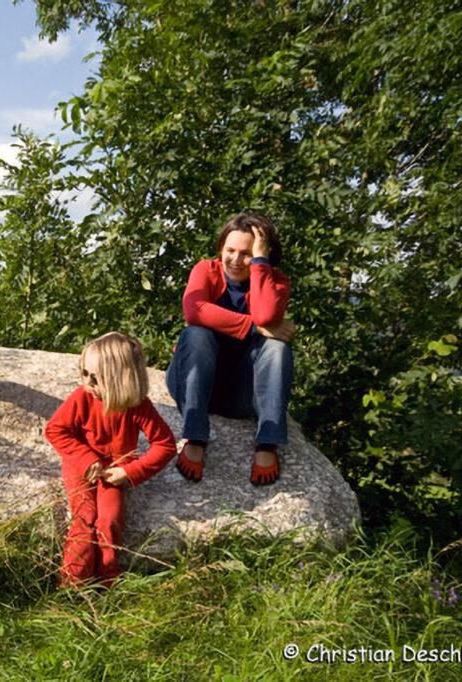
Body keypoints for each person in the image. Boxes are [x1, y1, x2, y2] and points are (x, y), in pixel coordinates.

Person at [164, 212, 296, 486]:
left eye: (247, 253)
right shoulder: (205, 270)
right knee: (196, 333)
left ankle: (268, 443)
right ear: (220, 249)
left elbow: (266, 315)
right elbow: (194, 311)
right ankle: (196, 435)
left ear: (264, 254)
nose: (236, 261)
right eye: (230, 250)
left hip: (241, 396)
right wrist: (254, 328)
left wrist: (260, 264)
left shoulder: (277, 282)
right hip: (193, 386)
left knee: (276, 347)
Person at [46, 332, 177, 588]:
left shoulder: (137, 406)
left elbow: (165, 445)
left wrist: (129, 472)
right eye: (84, 373)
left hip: (114, 471)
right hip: (80, 467)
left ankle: (107, 579)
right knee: (84, 518)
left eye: (95, 378)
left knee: (109, 519)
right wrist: (86, 459)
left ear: (120, 380)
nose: (87, 382)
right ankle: (73, 584)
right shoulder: (82, 398)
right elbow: (55, 430)